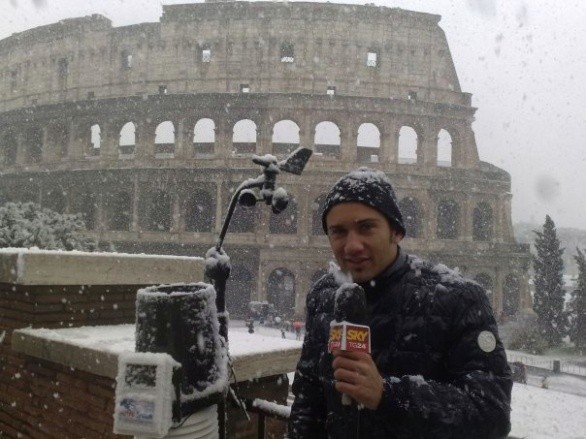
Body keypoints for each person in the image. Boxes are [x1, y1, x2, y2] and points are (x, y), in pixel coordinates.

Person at [288, 168, 512, 439]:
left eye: (366, 227)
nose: (352, 245)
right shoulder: (324, 294)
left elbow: (491, 413)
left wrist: (387, 395)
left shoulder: (459, 298)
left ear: (396, 231)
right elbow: (308, 399)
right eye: (338, 231)